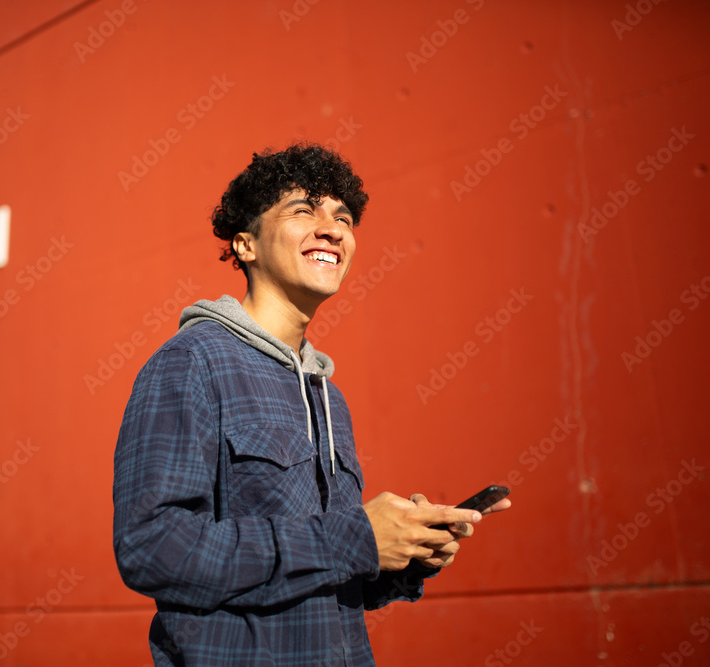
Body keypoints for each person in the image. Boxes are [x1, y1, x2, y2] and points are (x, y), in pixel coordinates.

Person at [113, 142, 510, 665]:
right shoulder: (192, 361)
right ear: (245, 245)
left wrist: (402, 554)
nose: (332, 228)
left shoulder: (328, 396)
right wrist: (352, 538)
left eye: (342, 217)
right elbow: (153, 549)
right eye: (303, 210)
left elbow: (325, 579)